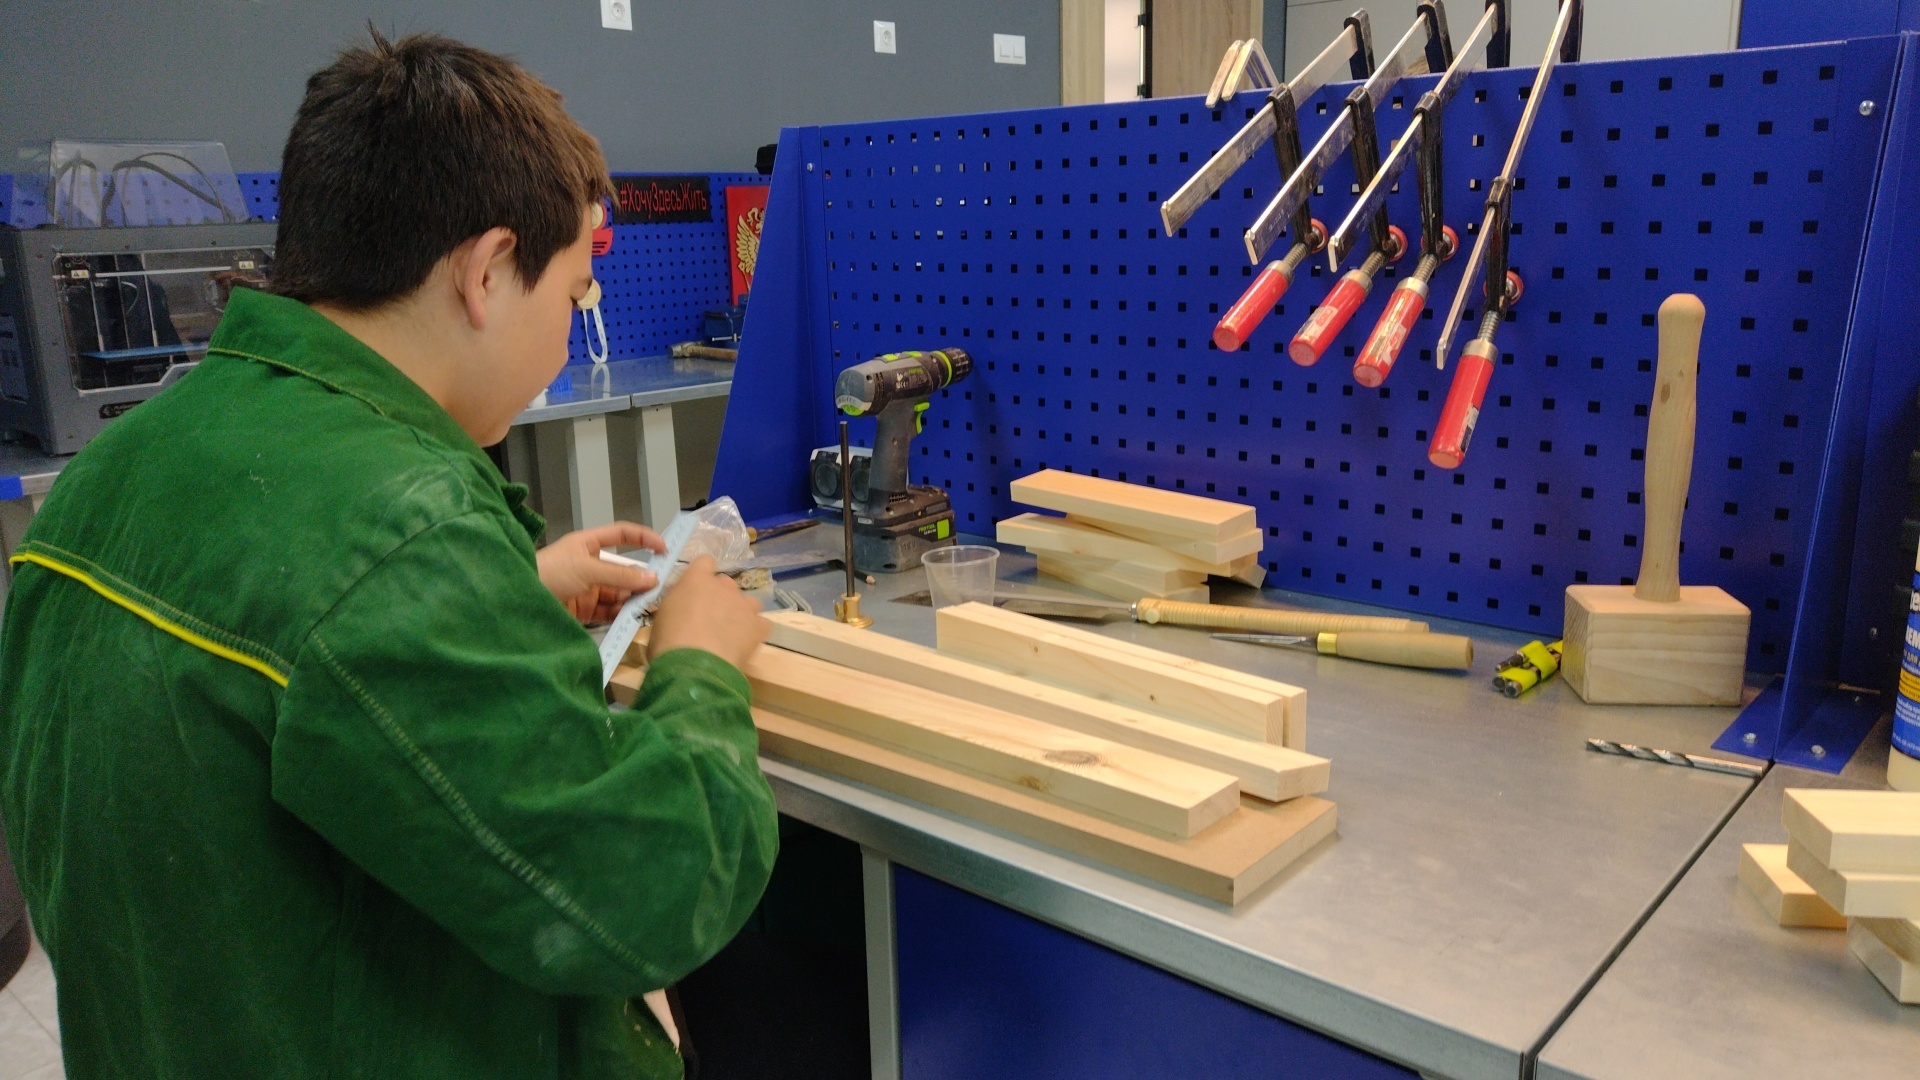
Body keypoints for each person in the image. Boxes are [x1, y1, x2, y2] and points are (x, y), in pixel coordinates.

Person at [0, 30, 776, 1080]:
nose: (569, 334)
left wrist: (500, 591)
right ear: (487, 272)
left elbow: (281, 661)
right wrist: (700, 666)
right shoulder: (405, 536)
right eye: (573, 297)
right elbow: (648, 896)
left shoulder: (114, 471)